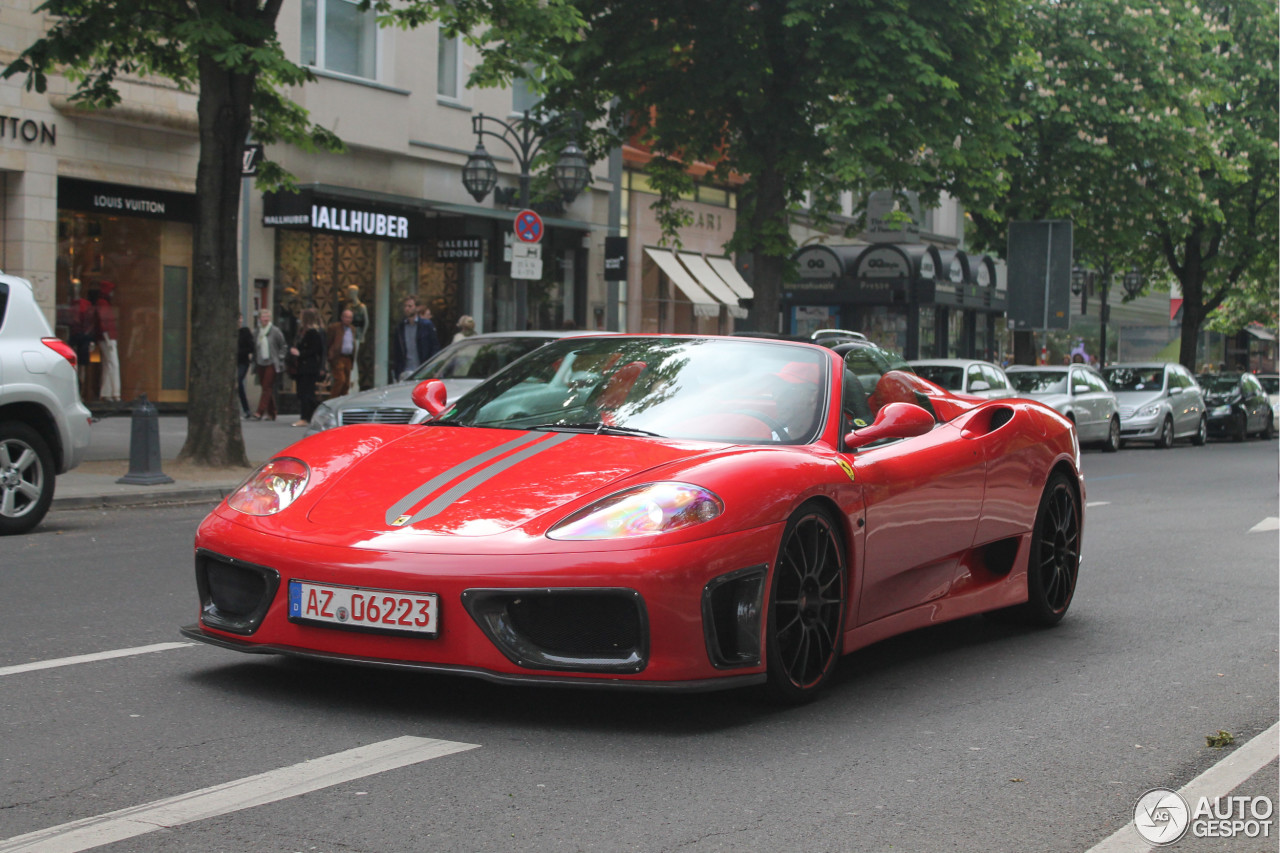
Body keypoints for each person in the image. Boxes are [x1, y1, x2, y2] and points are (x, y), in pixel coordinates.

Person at [389, 295, 438, 382]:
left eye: (410, 306)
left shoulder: (426, 326)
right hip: (405, 371)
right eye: (405, 306)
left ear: (417, 308)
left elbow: (434, 347)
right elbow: (397, 350)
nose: (407, 309)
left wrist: (433, 368)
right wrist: (397, 371)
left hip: (423, 370)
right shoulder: (400, 327)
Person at [290, 307, 325, 427]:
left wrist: (300, 353)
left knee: (306, 392)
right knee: (304, 392)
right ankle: (310, 415)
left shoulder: (313, 333)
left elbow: (316, 350)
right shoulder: (302, 332)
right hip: (302, 366)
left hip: (309, 367)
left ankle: (305, 417)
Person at [251, 308, 286, 421]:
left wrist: (280, 358)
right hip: (260, 362)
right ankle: (272, 412)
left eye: (267, 317)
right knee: (265, 387)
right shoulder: (256, 332)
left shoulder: (275, 331)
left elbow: (283, 346)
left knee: (267, 386)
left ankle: (259, 412)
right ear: (259, 318)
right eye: (263, 317)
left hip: (272, 362)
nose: (265, 319)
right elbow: (254, 347)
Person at [96, 282, 121, 402]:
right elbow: (104, 321)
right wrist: (107, 337)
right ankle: (115, 392)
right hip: (108, 337)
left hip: (106, 337)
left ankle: (106, 392)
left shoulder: (103, 303)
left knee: (108, 365)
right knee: (113, 365)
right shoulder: (103, 303)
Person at [326, 308, 357, 397]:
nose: (348, 320)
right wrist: (330, 354)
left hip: (348, 357)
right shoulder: (334, 328)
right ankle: (333, 398)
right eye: (346, 317)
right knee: (340, 379)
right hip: (338, 356)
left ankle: (343, 398)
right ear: (342, 317)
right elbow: (328, 341)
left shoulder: (352, 329)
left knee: (346, 382)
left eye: (350, 318)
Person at [237, 312, 254, 418]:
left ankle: (246, 409)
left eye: (240, 318)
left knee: (238, 381)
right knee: (237, 385)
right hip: (233, 362)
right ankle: (245, 409)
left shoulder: (245, 332)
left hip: (242, 361)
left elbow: (251, 347)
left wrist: (239, 352)